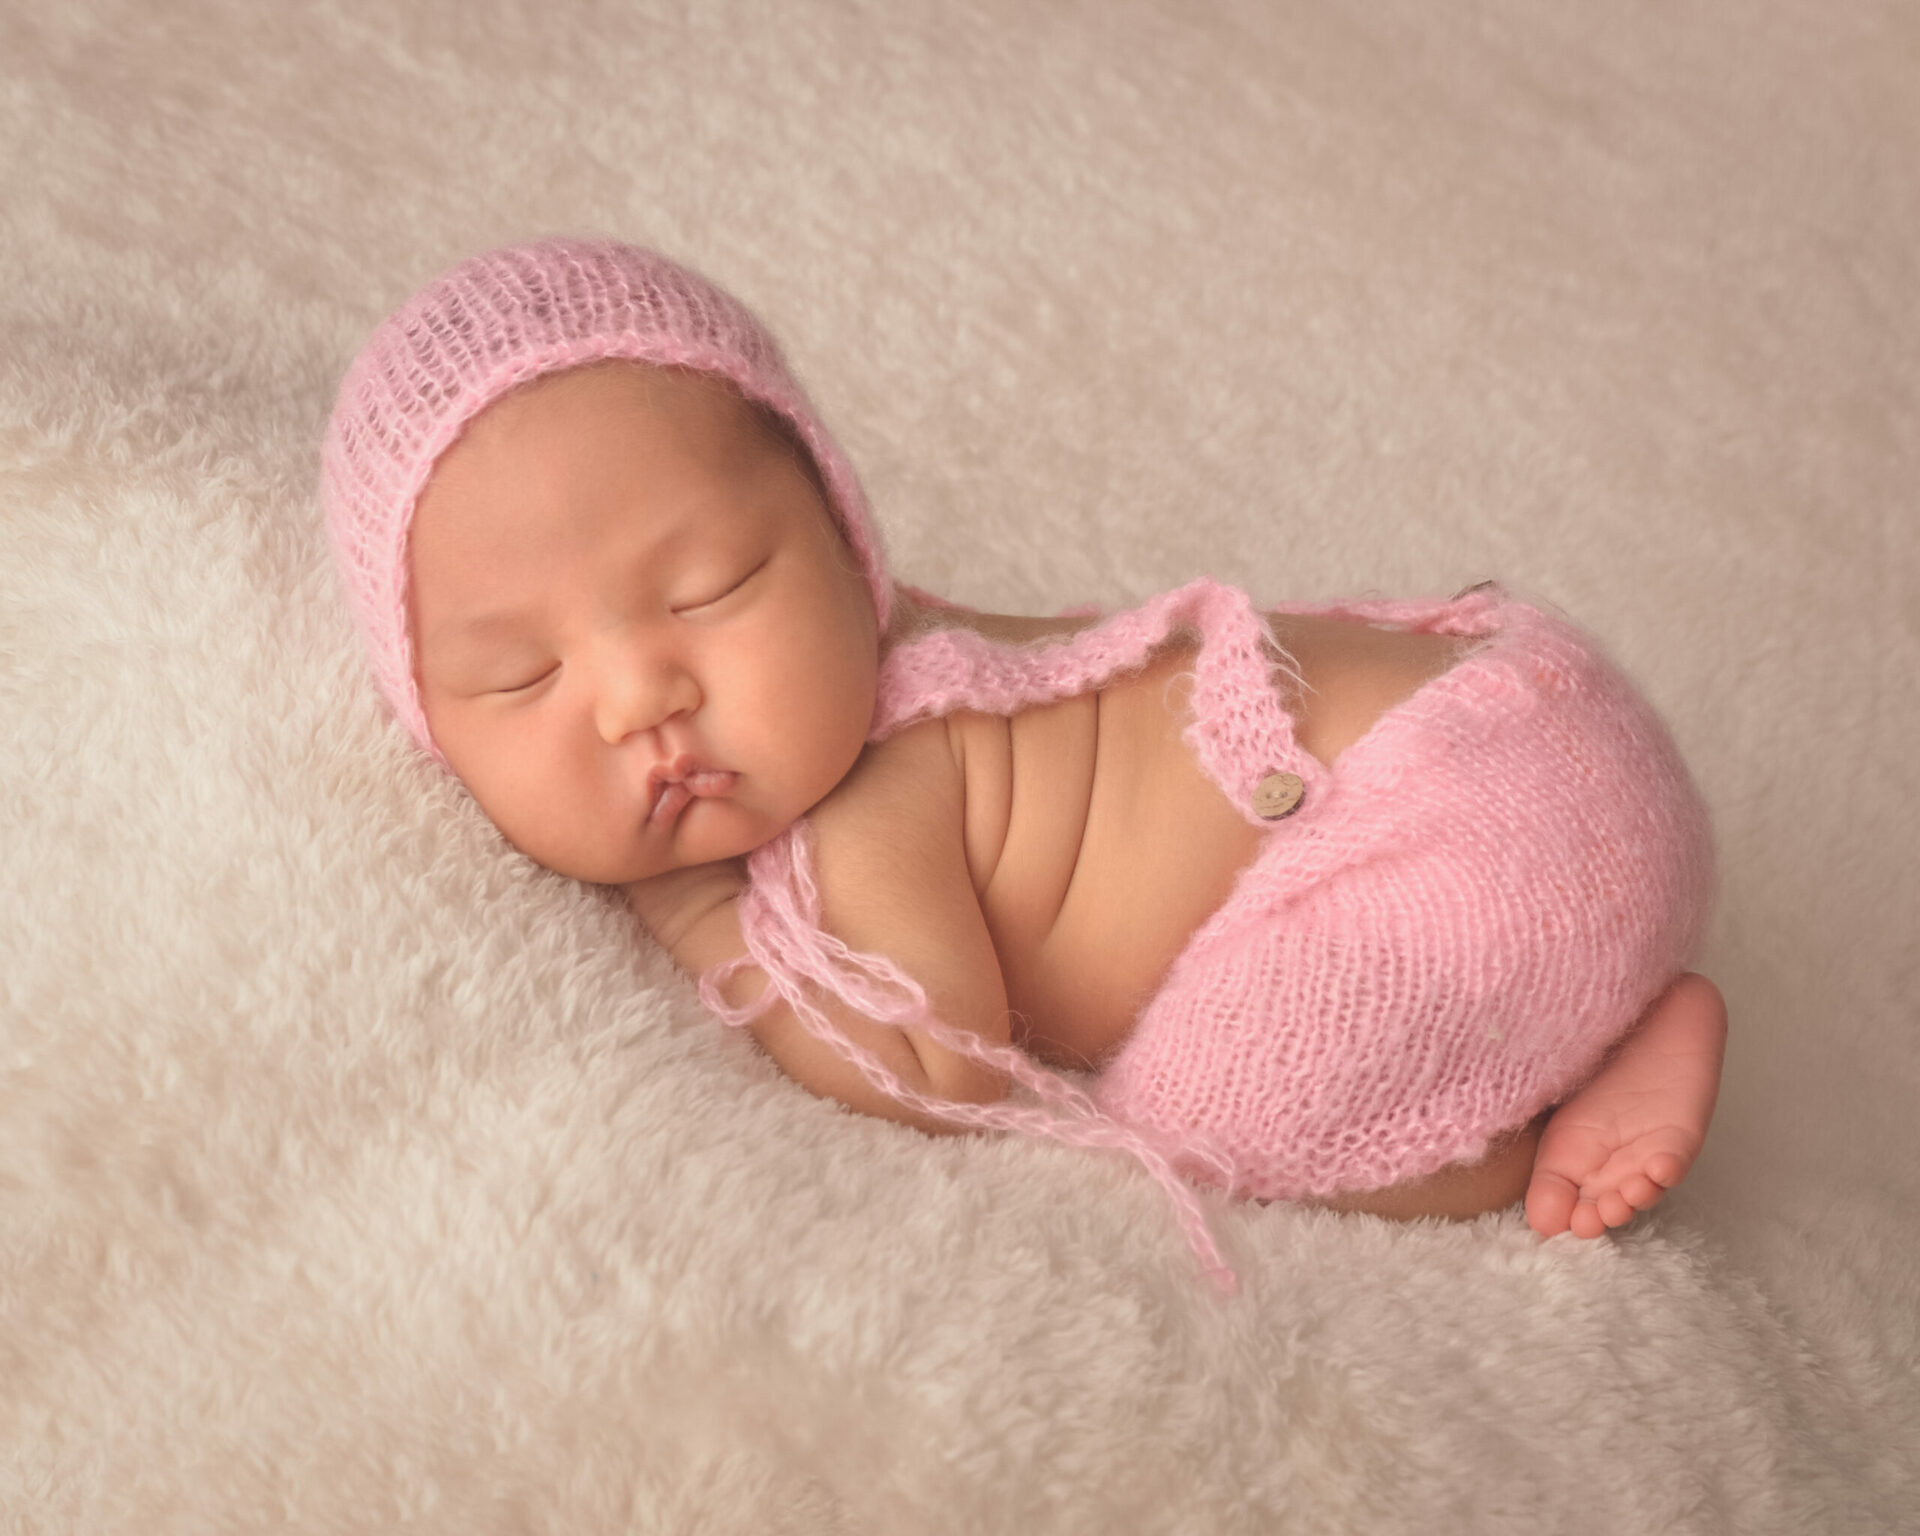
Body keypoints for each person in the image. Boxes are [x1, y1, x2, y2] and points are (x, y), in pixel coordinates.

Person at [321, 239, 1728, 1292]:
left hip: (1455, 820)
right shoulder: (909, 679)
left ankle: (1533, 1128)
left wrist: (693, 911)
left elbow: (939, 1061)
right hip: (1530, 697)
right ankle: (1611, 1001)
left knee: (1208, 1111)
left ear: (848, 543)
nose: (643, 694)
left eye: (710, 588)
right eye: (524, 677)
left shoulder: (886, 779)